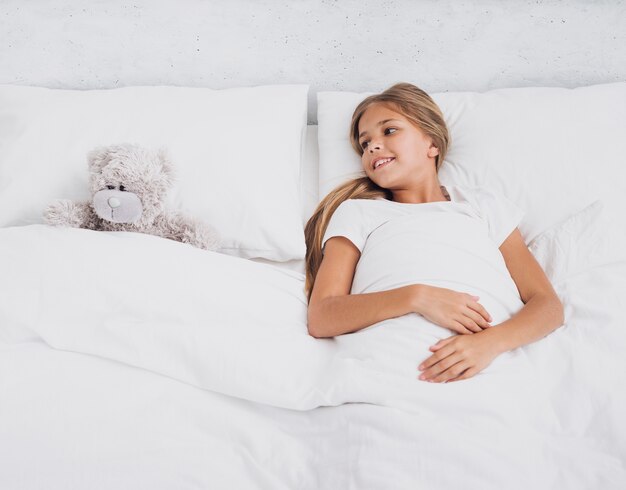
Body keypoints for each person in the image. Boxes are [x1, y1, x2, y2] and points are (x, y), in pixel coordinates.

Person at [304, 82, 564, 384]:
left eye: (389, 131)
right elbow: (322, 316)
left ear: (432, 144)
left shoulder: (482, 205)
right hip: (389, 359)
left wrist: (490, 343)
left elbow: (548, 306)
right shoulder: (358, 212)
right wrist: (418, 296)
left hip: (486, 362)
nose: (373, 146)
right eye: (365, 144)